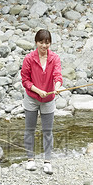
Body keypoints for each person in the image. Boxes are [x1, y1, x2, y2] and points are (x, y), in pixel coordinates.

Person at [20, 28, 62, 174]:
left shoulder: (54, 58)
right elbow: (25, 80)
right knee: (30, 129)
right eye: (41, 42)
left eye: (47, 43)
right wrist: (38, 90)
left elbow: (58, 75)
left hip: (49, 99)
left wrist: (56, 87)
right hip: (32, 98)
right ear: (36, 42)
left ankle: (47, 162)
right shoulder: (29, 59)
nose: (44, 46)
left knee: (47, 131)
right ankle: (30, 160)